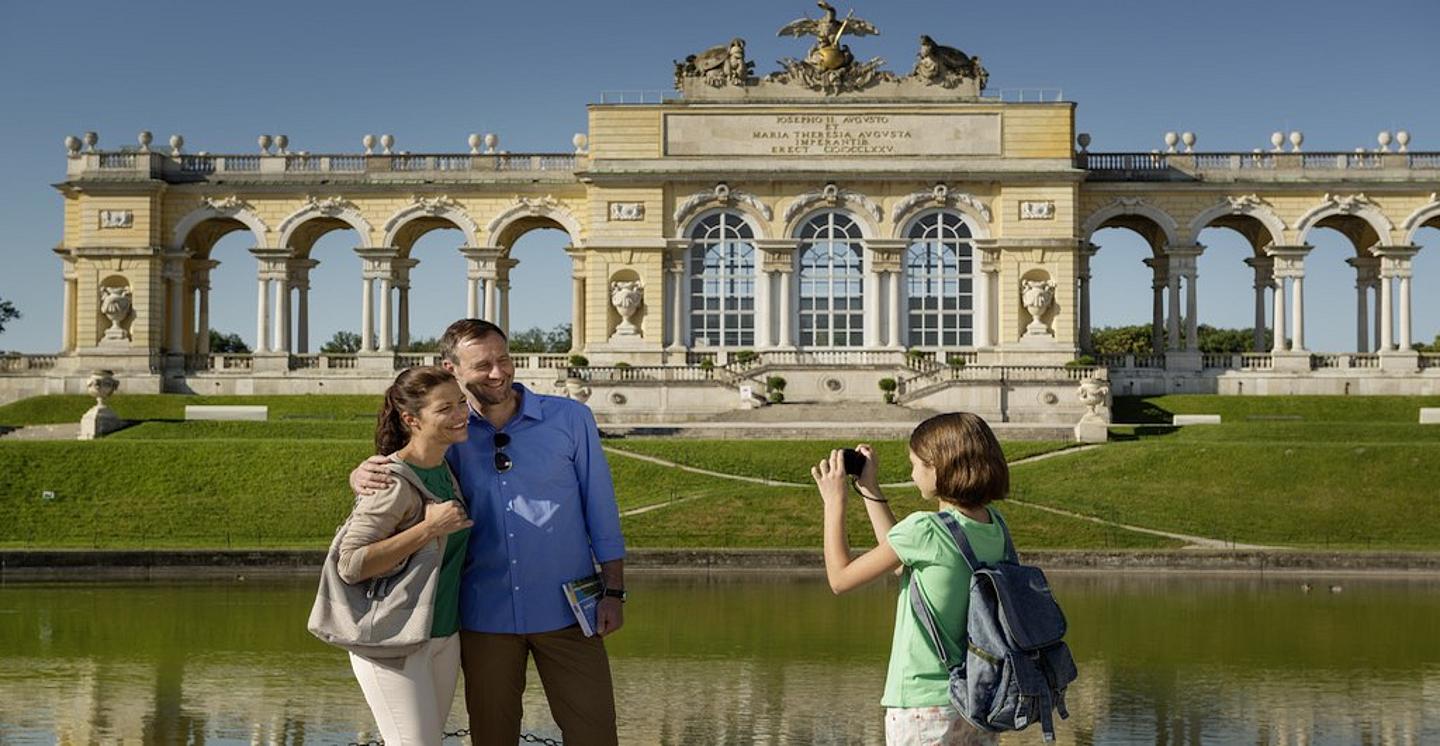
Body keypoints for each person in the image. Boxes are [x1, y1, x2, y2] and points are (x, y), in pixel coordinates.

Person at [350, 319, 626, 746]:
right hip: (483, 615)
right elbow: (408, 468)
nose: (498, 373)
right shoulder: (449, 429)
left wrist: (614, 591)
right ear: (452, 368)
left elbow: (602, 509)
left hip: (571, 612)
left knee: (595, 734)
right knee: (492, 738)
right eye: (483, 365)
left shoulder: (570, 418)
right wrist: (365, 471)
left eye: (504, 359)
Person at [811, 412, 1011, 746]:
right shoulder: (995, 526)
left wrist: (835, 502)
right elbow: (901, 562)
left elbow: (839, 578)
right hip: (978, 701)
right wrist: (870, 489)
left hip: (923, 704)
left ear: (938, 467)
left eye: (915, 464)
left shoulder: (925, 530)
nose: (912, 473)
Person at [338, 366, 475, 745]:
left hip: (442, 635)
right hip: (392, 642)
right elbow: (350, 564)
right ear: (411, 419)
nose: (461, 413)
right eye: (445, 408)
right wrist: (427, 529)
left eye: (461, 402)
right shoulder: (390, 480)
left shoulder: (446, 470)